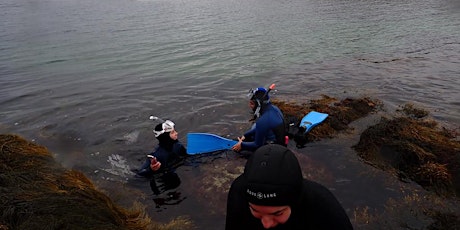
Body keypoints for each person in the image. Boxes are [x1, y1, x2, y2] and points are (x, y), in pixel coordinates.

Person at [225, 144, 354, 229]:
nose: (266, 224)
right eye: (255, 211)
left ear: (295, 201)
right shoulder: (239, 193)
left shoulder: (324, 209)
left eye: (278, 213)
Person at [134, 119, 187, 195]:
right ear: (166, 137)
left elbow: (186, 156)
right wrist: (151, 169)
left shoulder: (178, 145)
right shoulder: (157, 155)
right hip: (162, 176)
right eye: (172, 132)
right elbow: (139, 175)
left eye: (175, 131)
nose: (176, 133)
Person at [232, 86, 286, 153]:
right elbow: (261, 126)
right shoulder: (274, 108)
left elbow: (257, 145)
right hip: (280, 139)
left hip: (274, 148)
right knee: (255, 126)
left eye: (252, 103)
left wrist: (242, 145)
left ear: (259, 105)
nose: (249, 106)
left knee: (243, 151)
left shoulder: (263, 120)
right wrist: (246, 135)